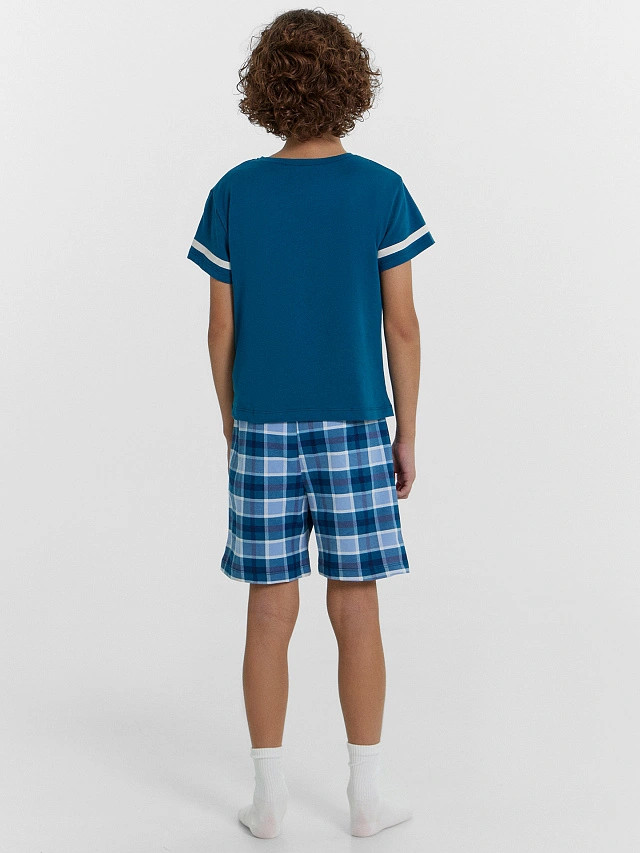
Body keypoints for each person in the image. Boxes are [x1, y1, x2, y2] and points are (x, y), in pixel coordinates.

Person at [187, 8, 435, 839]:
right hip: (357, 421)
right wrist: (406, 431)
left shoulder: (234, 191)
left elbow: (219, 329)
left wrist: (232, 418)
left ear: (264, 89)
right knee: (356, 606)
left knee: (269, 610)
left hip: (262, 424)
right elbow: (402, 326)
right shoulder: (381, 189)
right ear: (352, 85)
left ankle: (268, 799)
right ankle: (366, 796)